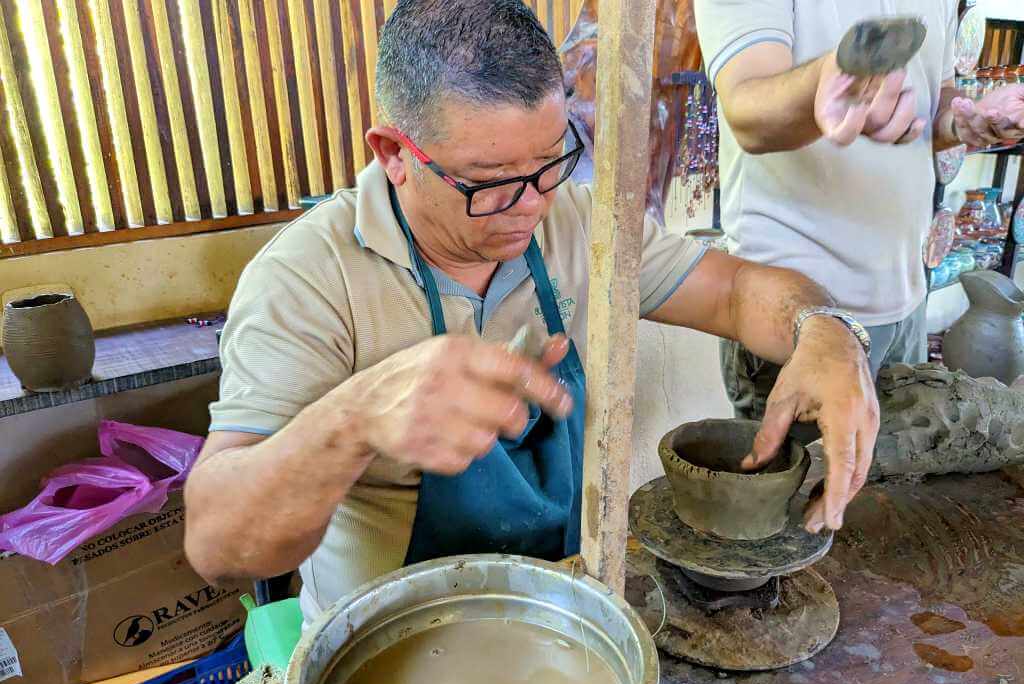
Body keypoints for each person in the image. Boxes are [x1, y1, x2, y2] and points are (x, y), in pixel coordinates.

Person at [184, 0, 878, 625]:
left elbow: (735, 292)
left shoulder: (580, 223)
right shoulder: (306, 280)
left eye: (550, 163)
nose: (530, 206)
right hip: (390, 644)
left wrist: (825, 332)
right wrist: (353, 420)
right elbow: (217, 546)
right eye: (489, 185)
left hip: (561, 614)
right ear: (394, 154)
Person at [694, 0, 1024, 424]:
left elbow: (930, 103)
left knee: (896, 486)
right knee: (798, 487)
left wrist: (968, 119)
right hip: (795, 309)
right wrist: (829, 81)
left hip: (906, 296)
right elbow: (748, 111)